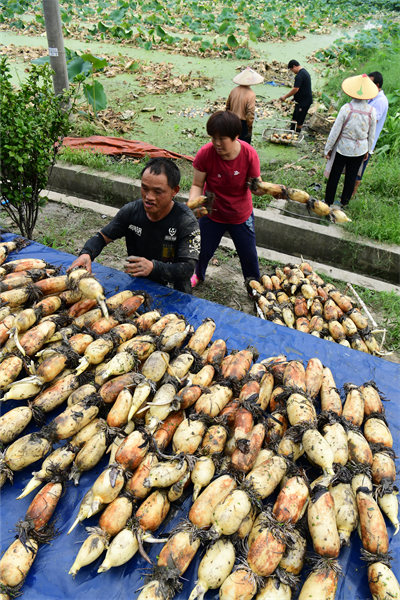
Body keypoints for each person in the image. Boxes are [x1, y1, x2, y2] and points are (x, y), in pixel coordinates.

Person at [69, 157, 200, 294]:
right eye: (145, 188)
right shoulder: (131, 211)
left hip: (174, 293)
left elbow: (187, 269)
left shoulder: (187, 222)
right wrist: (87, 253)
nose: (149, 196)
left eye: (157, 191)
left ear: (175, 191)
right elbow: (102, 237)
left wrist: (154, 268)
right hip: (137, 285)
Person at [188, 110, 265, 288]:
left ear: (235, 136)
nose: (216, 143)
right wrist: (193, 203)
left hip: (240, 214)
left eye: (222, 138)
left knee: (249, 254)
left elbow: (257, 187)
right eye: (213, 137)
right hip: (212, 212)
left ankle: (253, 285)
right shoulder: (205, 153)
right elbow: (197, 184)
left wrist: (265, 190)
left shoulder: (249, 154)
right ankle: (197, 275)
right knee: (201, 249)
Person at [324, 74, 378, 209]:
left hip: (343, 147)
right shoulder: (372, 111)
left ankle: (328, 200)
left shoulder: (346, 108)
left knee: (335, 175)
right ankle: (344, 202)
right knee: (351, 176)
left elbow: (335, 130)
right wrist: (368, 150)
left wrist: (328, 148)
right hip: (360, 149)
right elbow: (372, 134)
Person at [352, 71, 389, 196]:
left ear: (377, 85)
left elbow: (372, 121)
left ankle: (350, 196)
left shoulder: (380, 101)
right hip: (360, 139)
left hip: (366, 142)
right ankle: (347, 194)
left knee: (358, 170)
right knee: (354, 168)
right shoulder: (372, 98)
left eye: (370, 83)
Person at [226, 67, 264, 145]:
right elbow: (250, 113)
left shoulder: (234, 90)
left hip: (232, 120)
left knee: (232, 143)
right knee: (244, 146)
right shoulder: (251, 94)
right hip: (242, 123)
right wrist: (249, 128)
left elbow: (227, 107)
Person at [279, 59, 312, 132]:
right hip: (300, 100)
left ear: (294, 66)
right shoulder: (304, 72)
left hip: (304, 102)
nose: (292, 72)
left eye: (291, 69)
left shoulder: (299, 76)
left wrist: (285, 97)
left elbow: (295, 89)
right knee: (295, 117)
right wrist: (294, 98)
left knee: (299, 120)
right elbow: (303, 88)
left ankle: (296, 134)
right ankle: (291, 133)